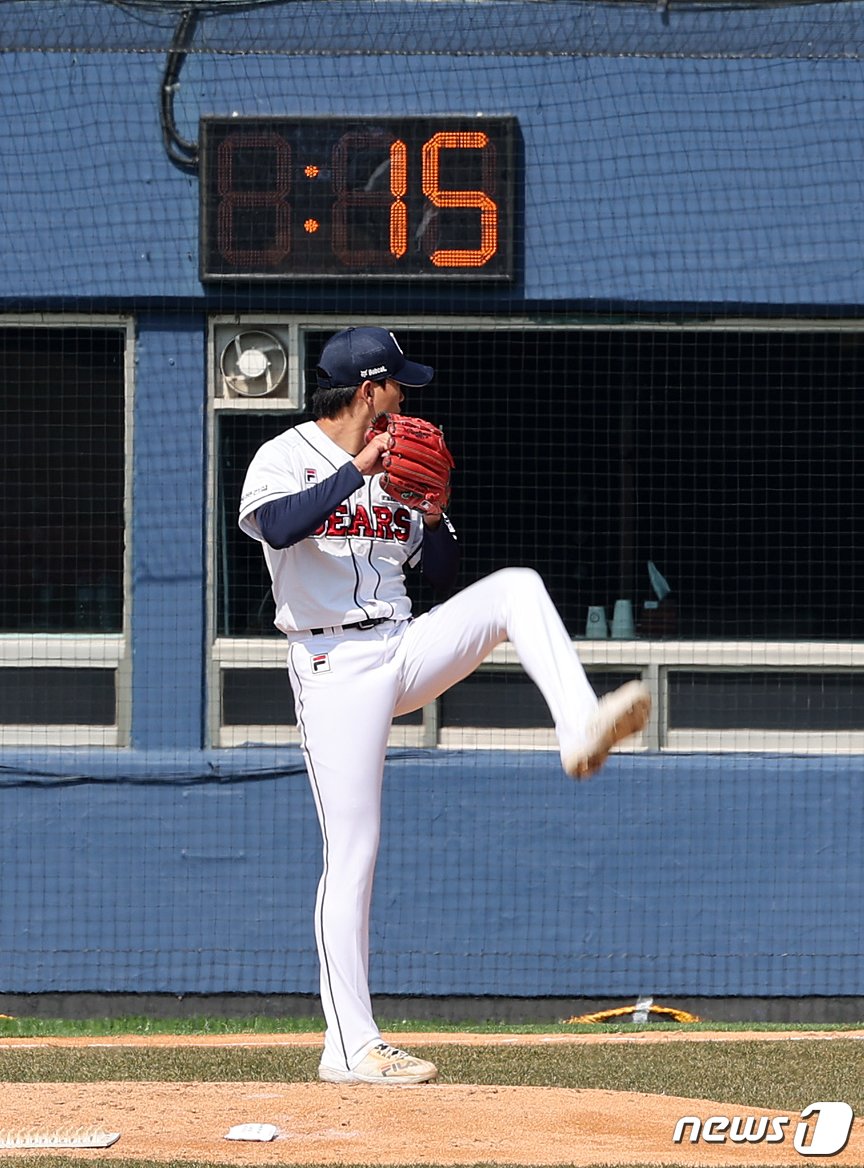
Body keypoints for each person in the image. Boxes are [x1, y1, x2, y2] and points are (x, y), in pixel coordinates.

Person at [238, 326, 650, 1086]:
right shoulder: (284, 455)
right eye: (398, 386)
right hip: (332, 664)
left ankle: (579, 725)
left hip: (402, 642)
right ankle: (351, 1046)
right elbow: (279, 526)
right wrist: (357, 469)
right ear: (368, 390)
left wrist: (432, 513)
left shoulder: (400, 466)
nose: (407, 399)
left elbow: (445, 572)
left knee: (515, 587)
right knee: (353, 852)